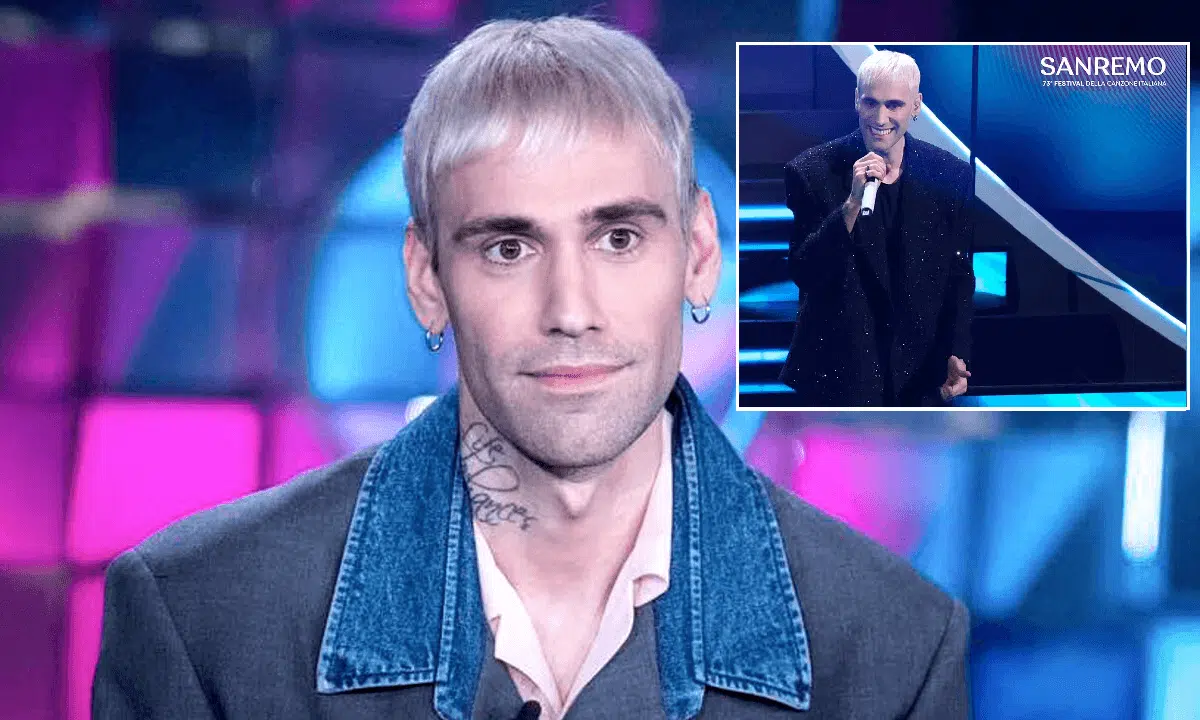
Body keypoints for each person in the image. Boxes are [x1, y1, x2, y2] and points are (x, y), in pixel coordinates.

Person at [93, 19, 969, 719]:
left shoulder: (895, 647)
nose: (571, 309)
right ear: (427, 279)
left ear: (702, 254)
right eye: (509, 247)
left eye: (618, 238)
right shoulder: (200, 619)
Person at [778, 50, 975, 407]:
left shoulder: (949, 175)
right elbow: (805, 271)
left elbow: (959, 275)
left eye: (894, 105)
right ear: (857, 100)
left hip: (919, 374)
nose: (880, 118)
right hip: (839, 372)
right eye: (871, 103)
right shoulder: (812, 171)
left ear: (916, 106)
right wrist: (851, 205)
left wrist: (956, 352)